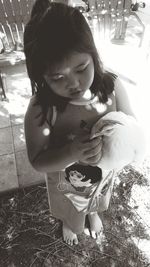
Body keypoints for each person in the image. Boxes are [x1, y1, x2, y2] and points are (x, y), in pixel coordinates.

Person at [24, 0, 139, 246]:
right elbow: (37, 160)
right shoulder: (41, 109)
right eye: (57, 77)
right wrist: (70, 152)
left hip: (103, 174)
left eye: (81, 68)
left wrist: (128, 141)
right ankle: (70, 222)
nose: (73, 83)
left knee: (96, 198)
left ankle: (93, 212)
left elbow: (131, 122)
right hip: (68, 182)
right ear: (41, 74)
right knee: (72, 209)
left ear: (93, 54)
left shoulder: (112, 87)